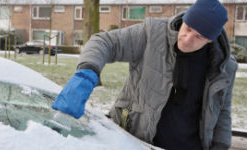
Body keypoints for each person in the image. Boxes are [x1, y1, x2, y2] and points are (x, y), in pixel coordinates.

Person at [52, 0, 238, 149]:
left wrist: (221, 145)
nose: (188, 39)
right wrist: (87, 71)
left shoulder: (223, 67)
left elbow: (222, 110)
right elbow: (105, 42)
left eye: (199, 37)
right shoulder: (152, 35)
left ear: (210, 40)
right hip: (132, 140)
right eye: (188, 28)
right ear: (185, 19)